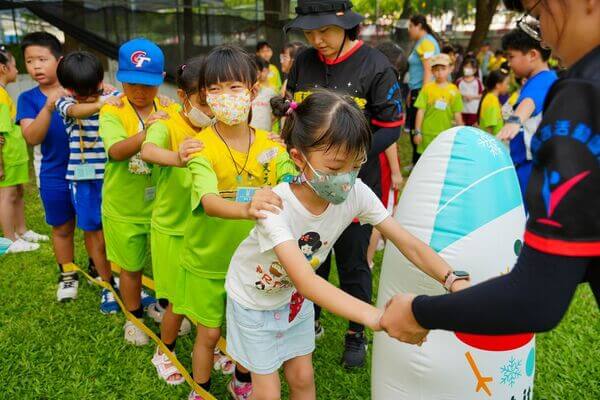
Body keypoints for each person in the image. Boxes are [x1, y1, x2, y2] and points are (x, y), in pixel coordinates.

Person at [379, 0, 600, 350]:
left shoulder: (584, 93)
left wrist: (419, 311)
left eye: (539, 13)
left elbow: (537, 298)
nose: (543, 35)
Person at [224, 91, 469, 400]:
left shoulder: (357, 192)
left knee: (302, 377)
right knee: (268, 393)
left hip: (293, 301)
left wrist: (452, 279)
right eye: (335, 167)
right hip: (253, 300)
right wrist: (378, 318)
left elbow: (405, 241)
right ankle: (241, 379)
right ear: (298, 157)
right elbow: (307, 281)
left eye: (356, 165)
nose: (345, 179)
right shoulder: (276, 207)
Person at [172, 45, 297, 400]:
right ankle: (200, 390)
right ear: (204, 96)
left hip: (253, 260)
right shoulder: (200, 146)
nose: (224, 97)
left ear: (253, 92)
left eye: (234, 88)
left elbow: (288, 182)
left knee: (249, 329)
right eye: (214, 89)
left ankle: (242, 380)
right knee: (209, 334)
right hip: (208, 261)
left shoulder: (271, 146)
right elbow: (209, 202)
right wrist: (250, 206)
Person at [284, 0, 403, 368]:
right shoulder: (303, 61)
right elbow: (293, 111)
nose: (316, 39)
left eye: (325, 30)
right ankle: (310, 321)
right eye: (310, 31)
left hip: (353, 187)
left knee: (353, 264)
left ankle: (356, 332)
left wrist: (349, 159)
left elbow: (391, 125)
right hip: (308, 188)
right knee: (310, 258)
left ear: (346, 25)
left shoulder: (375, 66)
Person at [99, 38, 176, 345]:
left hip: (162, 206)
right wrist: (148, 131)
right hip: (124, 209)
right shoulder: (112, 111)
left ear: (160, 82)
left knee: (166, 264)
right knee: (130, 268)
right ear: (121, 79)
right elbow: (116, 151)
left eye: (148, 85)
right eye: (132, 83)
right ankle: (134, 319)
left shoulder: (168, 107)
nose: (140, 92)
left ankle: (164, 307)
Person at [140, 57, 212, 385]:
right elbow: (148, 150)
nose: (210, 109)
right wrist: (178, 157)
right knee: (177, 299)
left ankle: (213, 348)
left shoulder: (219, 124)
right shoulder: (167, 120)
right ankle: (163, 351)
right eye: (203, 102)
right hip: (171, 227)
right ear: (184, 97)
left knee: (205, 296)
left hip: (205, 227)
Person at [16, 32, 84, 302]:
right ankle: (67, 274)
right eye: (29, 61)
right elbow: (32, 137)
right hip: (53, 174)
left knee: (95, 226)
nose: (35, 66)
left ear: (60, 60)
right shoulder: (27, 99)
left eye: (42, 59)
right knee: (62, 227)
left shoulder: (80, 88)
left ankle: (99, 268)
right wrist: (48, 107)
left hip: (88, 172)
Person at [55, 51, 120, 313]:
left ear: (100, 82)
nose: (88, 96)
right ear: (69, 89)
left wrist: (108, 97)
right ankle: (108, 284)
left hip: (115, 178)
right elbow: (76, 110)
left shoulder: (112, 96)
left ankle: (124, 278)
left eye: (92, 89)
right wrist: (101, 101)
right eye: (81, 92)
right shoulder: (64, 102)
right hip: (84, 183)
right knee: (94, 232)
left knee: (117, 232)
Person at [499, 28, 558, 203]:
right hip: (530, 165)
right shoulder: (543, 79)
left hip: (531, 168)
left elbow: (529, 103)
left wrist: (514, 122)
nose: (509, 63)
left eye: (511, 57)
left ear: (532, 55)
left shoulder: (542, 79)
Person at [0, 46, 46, 253]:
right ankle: (10, 240)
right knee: (7, 195)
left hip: (15, 156)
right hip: (7, 158)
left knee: (17, 192)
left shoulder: (3, 93)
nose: (17, 71)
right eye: (15, 66)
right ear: (3, 68)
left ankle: (21, 231)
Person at [413, 53, 464, 157]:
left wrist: (461, 132)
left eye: (443, 68)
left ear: (450, 69)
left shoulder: (454, 90)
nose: (439, 72)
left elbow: (457, 113)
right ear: (432, 71)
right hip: (427, 133)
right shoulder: (427, 88)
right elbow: (420, 111)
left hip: (445, 135)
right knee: (426, 159)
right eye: (436, 69)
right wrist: (417, 132)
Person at [406, 14, 440, 166]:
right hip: (416, 90)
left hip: (422, 91)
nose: (409, 30)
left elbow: (428, 70)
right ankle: (416, 162)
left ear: (419, 26)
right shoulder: (422, 42)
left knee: (417, 127)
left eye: (410, 26)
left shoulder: (426, 43)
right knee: (414, 127)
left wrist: (423, 95)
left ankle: (419, 163)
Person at [478, 68, 510, 135]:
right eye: (507, 84)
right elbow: (489, 130)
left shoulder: (492, 98)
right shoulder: (491, 101)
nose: (508, 87)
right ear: (498, 85)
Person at [250, 55, 277, 132]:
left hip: (265, 137)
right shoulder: (240, 95)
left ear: (258, 73)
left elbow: (277, 113)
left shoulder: (271, 93)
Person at [456, 57, 483, 126]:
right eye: (466, 66)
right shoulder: (459, 81)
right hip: (461, 110)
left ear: (475, 70)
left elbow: (482, 94)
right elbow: (455, 94)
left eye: (470, 67)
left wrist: (472, 97)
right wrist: (462, 96)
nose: (467, 69)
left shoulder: (478, 82)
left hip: (473, 111)